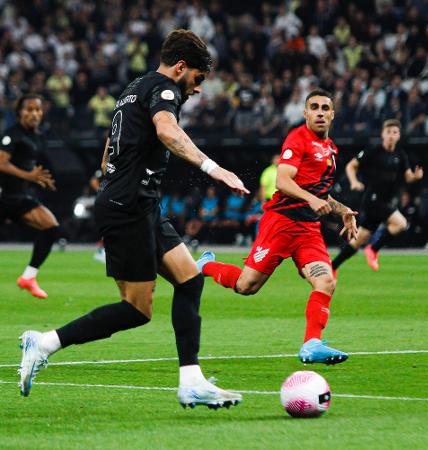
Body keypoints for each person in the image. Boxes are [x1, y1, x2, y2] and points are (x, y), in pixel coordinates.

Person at [18, 30, 249, 409]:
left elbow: (110, 145)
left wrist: (113, 175)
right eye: (198, 78)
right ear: (180, 67)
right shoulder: (165, 90)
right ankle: (43, 343)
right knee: (137, 309)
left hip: (136, 202)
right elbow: (167, 130)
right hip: (129, 206)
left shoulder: (134, 87)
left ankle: (191, 381)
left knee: (190, 280)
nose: (197, 89)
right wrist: (214, 168)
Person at [197, 89, 358, 365]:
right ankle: (205, 266)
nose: (320, 112)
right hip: (280, 224)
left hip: (308, 230)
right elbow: (283, 181)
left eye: (325, 108)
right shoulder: (298, 138)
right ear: (305, 113)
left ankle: (311, 344)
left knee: (326, 281)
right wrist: (311, 199)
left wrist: (342, 210)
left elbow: (321, 192)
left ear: (332, 114)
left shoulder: (331, 149)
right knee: (247, 286)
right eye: (314, 107)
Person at [332, 119, 423, 272]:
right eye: (388, 132)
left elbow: (408, 176)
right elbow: (351, 166)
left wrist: (416, 177)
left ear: (399, 135)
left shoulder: (400, 155)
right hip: (373, 200)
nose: (391, 136)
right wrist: (354, 182)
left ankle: (332, 267)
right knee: (400, 224)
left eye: (394, 132)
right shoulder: (374, 151)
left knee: (358, 240)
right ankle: (373, 250)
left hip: (385, 201)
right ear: (382, 134)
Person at [0, 94, 58, 299]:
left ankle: (29, 277)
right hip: (2, 195)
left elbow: (25, 163)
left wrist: (38, 177)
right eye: (29, 109)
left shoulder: (38, 136)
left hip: (17, 197)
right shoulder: (11, 134)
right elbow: (1, 163)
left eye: (37, 110)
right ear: (19, 113)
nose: (34, 113)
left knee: (51, 227)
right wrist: (30, 176)